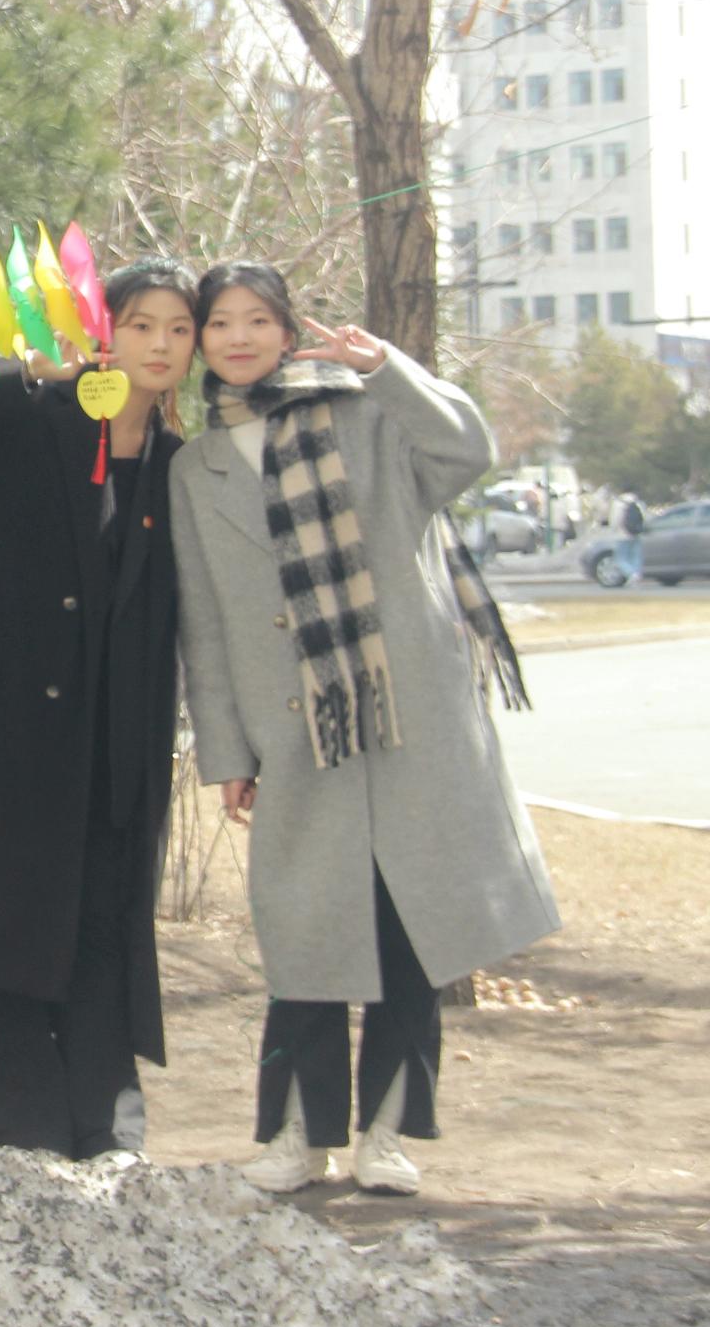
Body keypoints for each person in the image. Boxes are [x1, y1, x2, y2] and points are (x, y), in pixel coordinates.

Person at [172, 262, 557, 1196]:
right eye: (220, 322)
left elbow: (469, 451)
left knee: (409, 936)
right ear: (202, 340)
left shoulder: (368, 415)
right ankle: (296, 1137)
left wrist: (388, 369)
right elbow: (205, 625)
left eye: (258, 319)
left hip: (408, 717)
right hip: (294, 735)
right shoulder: (197, 465)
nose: (238, 338)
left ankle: (387, 1133)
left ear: (287, 330)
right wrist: (226, 752)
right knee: (304, 941)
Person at [0, 259, 197, 1161]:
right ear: (104, 331)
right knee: (5, 925)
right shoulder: (31, 419)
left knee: (104, 925)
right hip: (11, 727)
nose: (160, 345)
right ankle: (27, 1136)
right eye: (140, 325)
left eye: (180, 329)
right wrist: (28, 369)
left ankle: (109, 1127)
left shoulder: (183, 465)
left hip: (117, 738)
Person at [613, 490, 646, 581]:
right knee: (636, 556)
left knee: (621, 558)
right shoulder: (639, 503)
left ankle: (631, 573)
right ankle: (637, 573)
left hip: (622, 535)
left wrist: (614, 530)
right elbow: (644, 518)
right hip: (636, 533)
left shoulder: (618, 503)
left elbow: (615, 520)